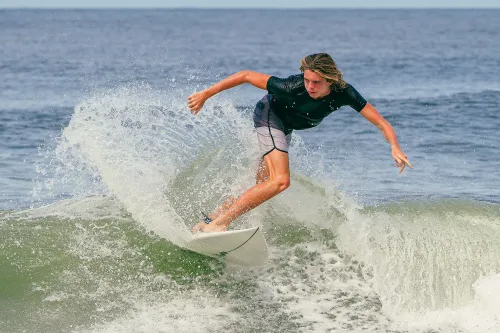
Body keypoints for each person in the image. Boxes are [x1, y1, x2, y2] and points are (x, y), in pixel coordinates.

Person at [188, 53, 412, 233]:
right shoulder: (289, 86)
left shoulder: (345, 93)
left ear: (331, 80)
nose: (310, 86)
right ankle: (219, 225)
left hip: (285, 127)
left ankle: (211, 219)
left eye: (316, 82)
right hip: (270, 116)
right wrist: (206, 94)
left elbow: (381, 122)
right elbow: (246, 75)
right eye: (307, 80)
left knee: (264, 183)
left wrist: (395, 146)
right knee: (280, 181)